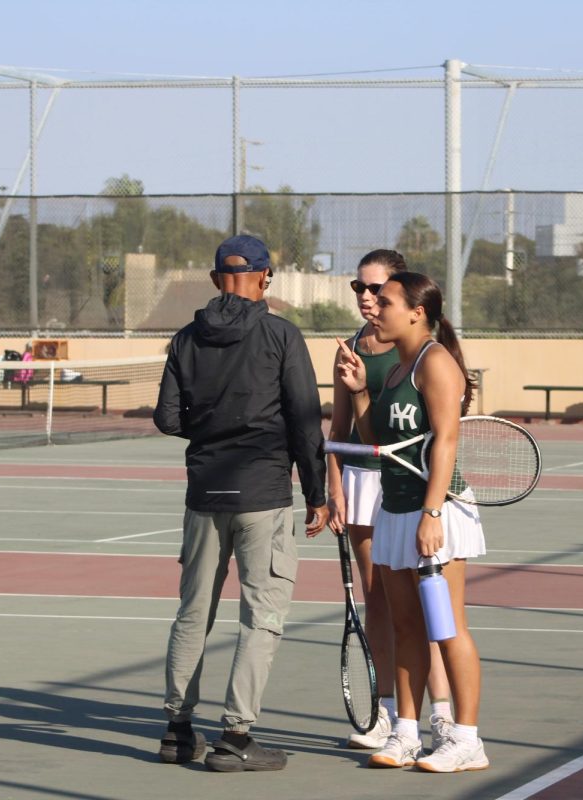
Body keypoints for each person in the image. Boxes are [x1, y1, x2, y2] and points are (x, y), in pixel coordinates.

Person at [153, 234, 329, 772]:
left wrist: (209, 431)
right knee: (262, 617)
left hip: (205, 493)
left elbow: (167, 418)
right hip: (263, 494)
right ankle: (235, 736)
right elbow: (304, 420)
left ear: (214, 279)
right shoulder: (281, 334)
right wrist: (317, 494)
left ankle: (177, 731)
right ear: (266, 277)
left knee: (192, 612)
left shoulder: (186, 339)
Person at [336, 272, 489, 774]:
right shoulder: (398, 368)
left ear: (416, 312)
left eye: (385, 301)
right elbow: (377, 442)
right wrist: (360, 392)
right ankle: (405, 732)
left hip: (435, 513)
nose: (374, 308)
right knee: (405, 628)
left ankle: (466, 738)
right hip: (395, 509)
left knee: (447, 629)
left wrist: (433, 512)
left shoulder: (436, 362)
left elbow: (446, 441)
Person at [326, 250, 455, 752]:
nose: (366, 299)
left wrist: (433, 507)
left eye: (376, 291)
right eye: (359, 289)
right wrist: (332, 487)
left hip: (412, 486)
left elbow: (442, 432)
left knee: (427, 608)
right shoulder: (353, 346)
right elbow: (345, 428)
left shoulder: (424, 352)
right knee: (381, 598)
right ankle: (389, 715)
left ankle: (443, 717)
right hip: (365, 485)